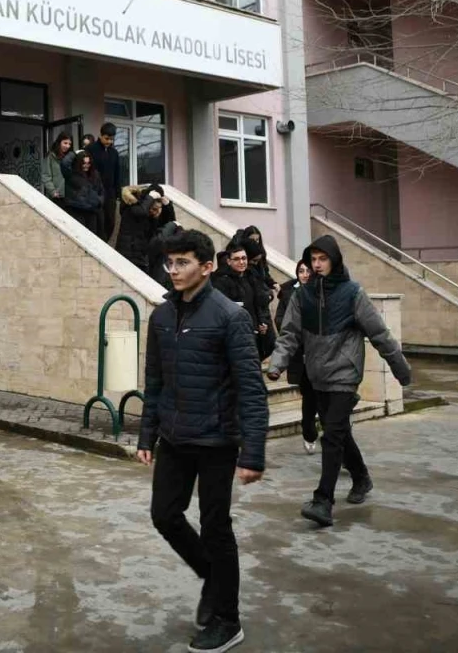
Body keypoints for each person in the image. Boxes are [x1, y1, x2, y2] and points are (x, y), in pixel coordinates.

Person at [138, 229, 268, 653]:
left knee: (216, 528)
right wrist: (147, 433)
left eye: (183, 263)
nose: (173, 271)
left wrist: (253, 452)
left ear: (207, 266)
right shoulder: (161, 316)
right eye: (169, 263)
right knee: (164, 516)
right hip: (174, 437)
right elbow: (154, 381)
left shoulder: (230, 317)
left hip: (216, 440)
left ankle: (227, 620)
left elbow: (251, 389)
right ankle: (213, 576)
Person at [268, 235, 412, 528]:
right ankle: (361, 477)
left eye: (323, 259)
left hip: (345, 374)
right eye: (313, 260)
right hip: (317, 375)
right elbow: (290, 333)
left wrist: (401, 369)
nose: (317, 265)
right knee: (340, 431)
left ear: (334, 260)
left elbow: (379, 333)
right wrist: (277, 364)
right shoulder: (302, 296)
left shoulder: (352, 293)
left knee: (332, 434)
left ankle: (323, 501)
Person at [269, 257, 319, 454]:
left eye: (308, 271)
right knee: (309, 396)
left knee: (325, 397)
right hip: (300, 353)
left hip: (322, 354)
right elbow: (280, 319)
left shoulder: (322, 291)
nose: (305, 275)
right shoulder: (289, 293)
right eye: (301, 271)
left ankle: (334, 434)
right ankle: (309, 432)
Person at [221, 245, 272, 359]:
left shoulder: (250, 277)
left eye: (244, 258)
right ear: (229, 261)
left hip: (254, 333)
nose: (241, 262)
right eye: (236, 259)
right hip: (236, 336)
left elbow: (257, 303)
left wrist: (261, 322)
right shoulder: (222, 281)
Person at [115, 183, 176, 274]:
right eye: (154, 209)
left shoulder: (151, 215)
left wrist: (168, 205)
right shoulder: (132, 206)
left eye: (159, 208)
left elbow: (170, 223)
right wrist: (150, 198)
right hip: (128, 255)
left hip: (142, 258)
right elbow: (141, 212)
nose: (156, 212)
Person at [87, 123, 123, 241]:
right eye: (107, 138)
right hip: (95, 192)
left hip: (110, 194)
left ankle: (104, 243)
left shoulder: (114, 153)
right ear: (101, 135)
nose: (109, 142)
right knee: (98, 222)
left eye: (112, 139)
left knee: (111, 222)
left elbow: (117, 174)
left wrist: (118, 193)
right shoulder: (91, 149)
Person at [65, 151, 104, 235]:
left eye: (88, 163)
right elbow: (64, 163)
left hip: (92, 211)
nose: (86, 165)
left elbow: (101, 190)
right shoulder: (71, 174)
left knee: (92, 236)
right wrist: (74, 153)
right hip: (77, 211)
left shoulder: (95, 174)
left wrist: (99, 201)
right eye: (84, 163)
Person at [40, 132, 72, 208]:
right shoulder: (50, 156)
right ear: (59, 142)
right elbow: (45, 175)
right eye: (65, 143)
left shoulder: (70, 156)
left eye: (69, 144)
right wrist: (53, 192)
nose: (67, 146)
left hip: (70, 196)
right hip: (57, 197)